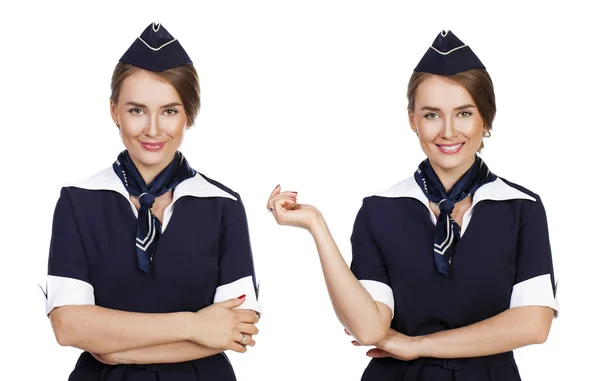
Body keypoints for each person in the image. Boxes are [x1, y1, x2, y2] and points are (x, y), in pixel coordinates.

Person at [267, 30, 558, 380]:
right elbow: (370, 329)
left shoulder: (520, 207)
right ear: (412, 120)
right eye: (432, 115)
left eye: (464, 113)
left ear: (486, 118)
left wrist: (418, 345)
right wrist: (316, 226)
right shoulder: (380, 209)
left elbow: (533, 324)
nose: (448, 131)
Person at [41, 22, 261, 381]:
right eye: (137, 110)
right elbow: (68, 325)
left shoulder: (222, 205)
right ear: (114, 111)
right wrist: (193, 325)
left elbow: (237, 329)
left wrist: (118, 351)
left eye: (170, 111)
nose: (154, 129)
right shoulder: (78, 202)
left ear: (189, 114)